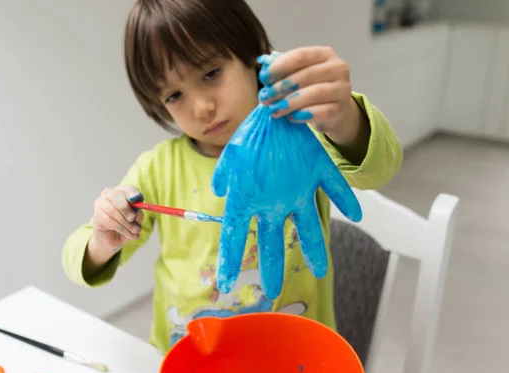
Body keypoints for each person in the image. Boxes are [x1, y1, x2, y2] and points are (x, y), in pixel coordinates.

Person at [62, 0, 403, 354]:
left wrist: (343, 116)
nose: (201, 107)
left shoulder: (300, 139)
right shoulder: (157, 169)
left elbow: (382, 167)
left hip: (295, 361)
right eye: (174, 95)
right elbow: (76, 256)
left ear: (250, 52)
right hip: (191, 363)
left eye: (211, 74)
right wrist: (103, 239)